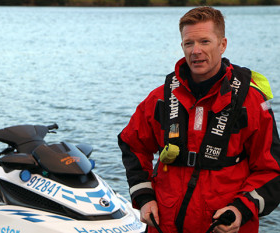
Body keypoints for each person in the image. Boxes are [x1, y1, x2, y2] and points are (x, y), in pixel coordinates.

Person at [118, 6, 280, 233]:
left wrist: (241, 210)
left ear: (222, 44)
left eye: (205, 42)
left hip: (222, 226)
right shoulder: (160, 98)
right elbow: (132, 144)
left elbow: (271, 170)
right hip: (163, 226)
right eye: (188, 43)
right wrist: (144, 197)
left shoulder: (251, 102)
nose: (196, 51)